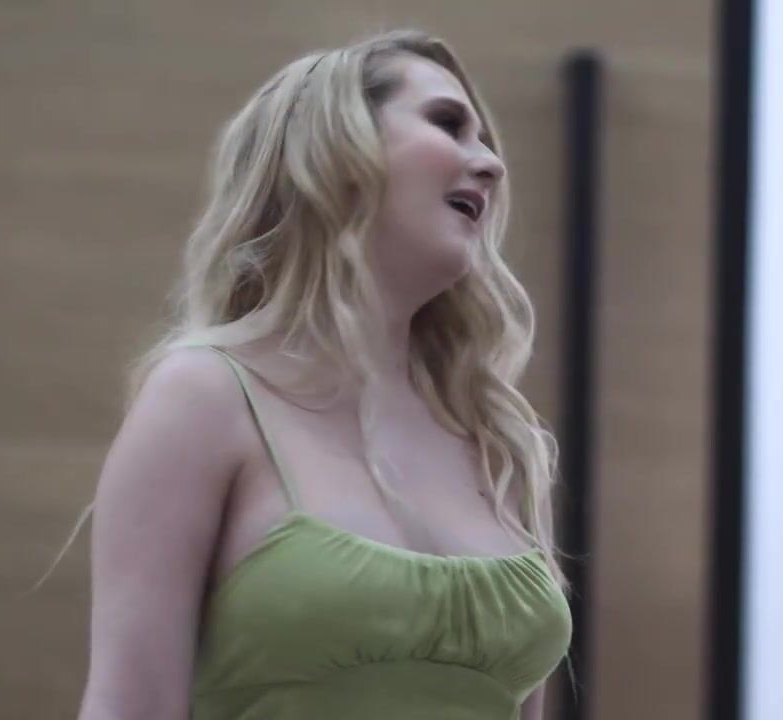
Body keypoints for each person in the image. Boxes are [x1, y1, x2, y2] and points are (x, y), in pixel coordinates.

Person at [73, 28, 574, 720]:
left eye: (485, 141)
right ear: (336, 150)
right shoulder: (205, 395)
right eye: (447, 124)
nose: (490, 164)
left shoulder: (501, 443)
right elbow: (129, 706)